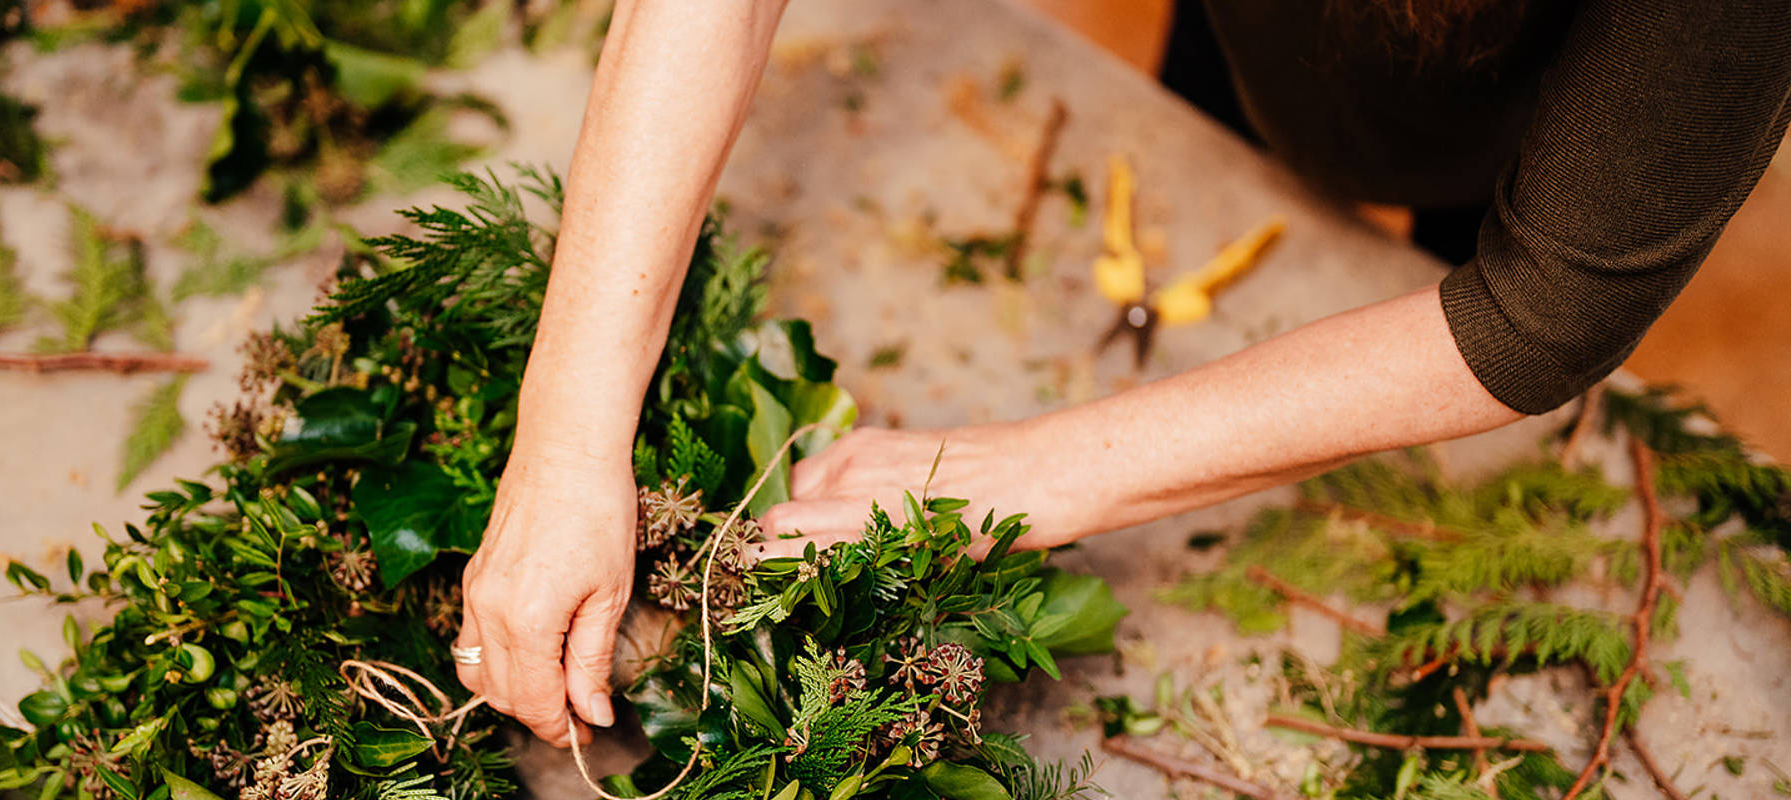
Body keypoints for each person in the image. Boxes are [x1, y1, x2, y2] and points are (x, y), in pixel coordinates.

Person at [451, 0, 1791, 748]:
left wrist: (1027, 474)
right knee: (1219, 127)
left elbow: (1536, 313)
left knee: (1443, 244)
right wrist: (568, 428)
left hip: (1513, 115)